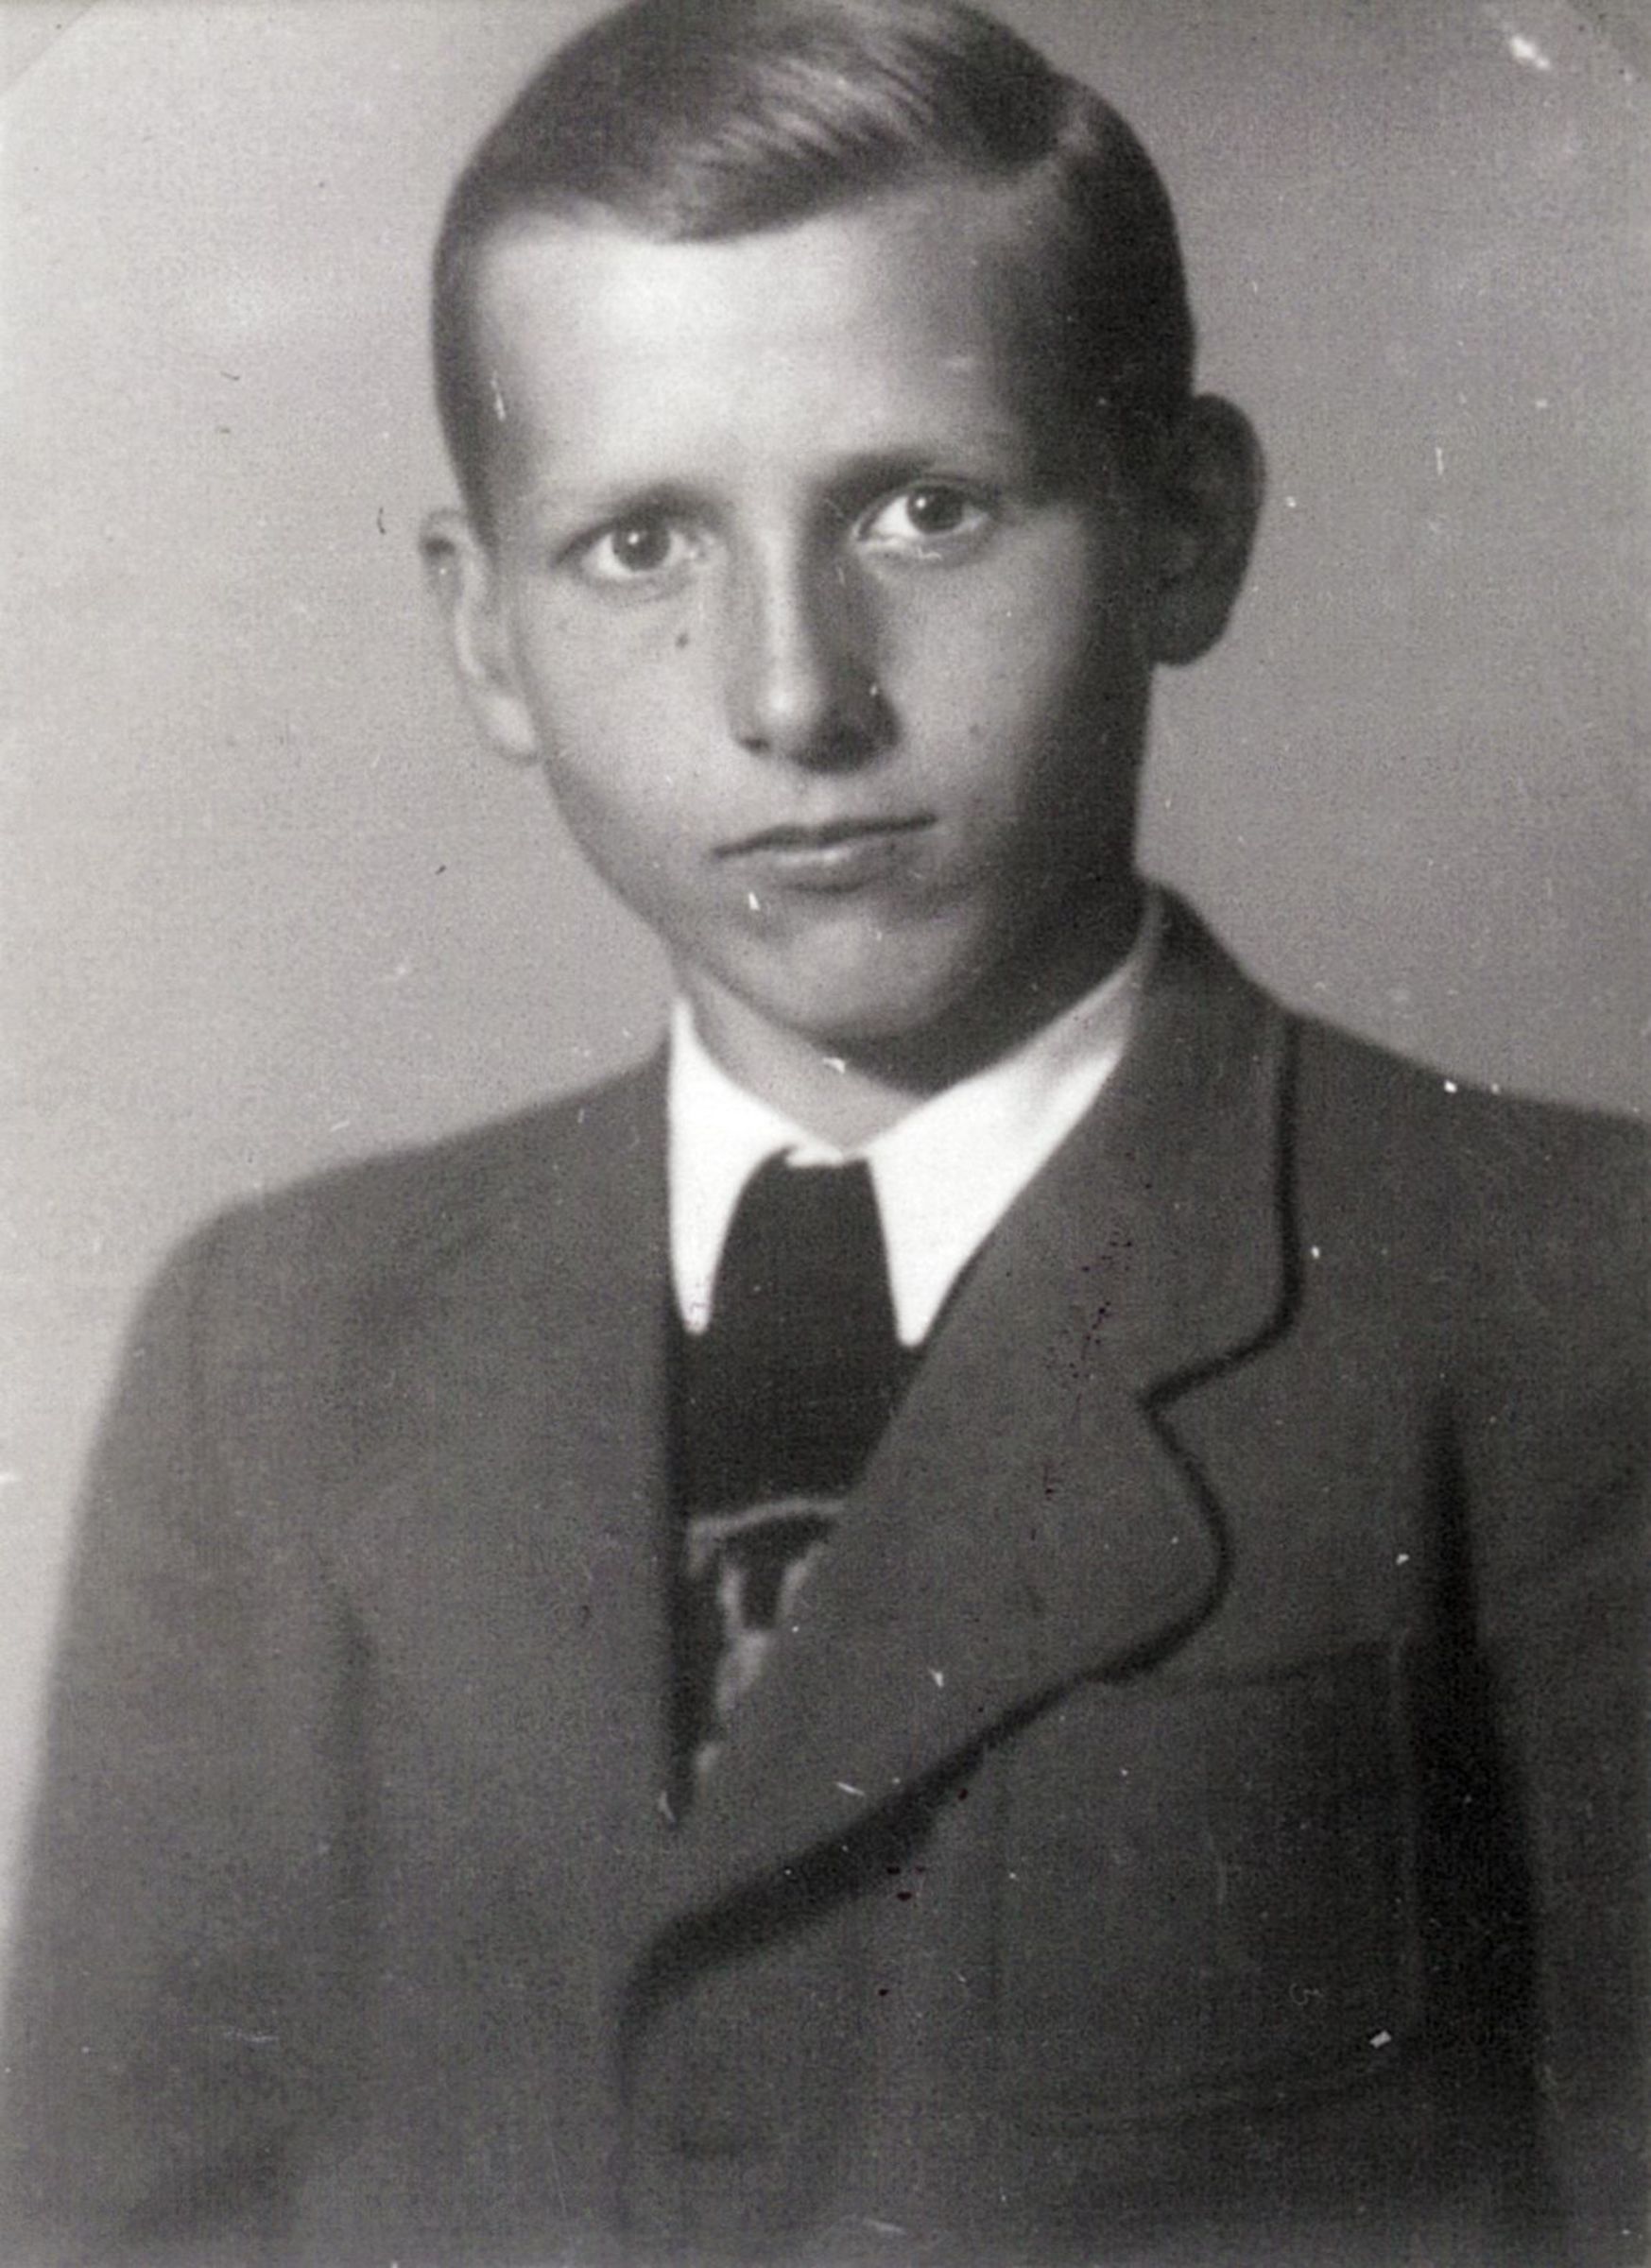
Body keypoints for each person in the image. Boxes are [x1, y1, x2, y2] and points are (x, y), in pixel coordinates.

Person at [2, 1, 1644, 2261]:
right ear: (483, 638)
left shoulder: (1569, 1302)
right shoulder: (271, 1355)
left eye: (924, 509)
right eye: (637, 547)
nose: (791, 692)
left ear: (1183, 527)